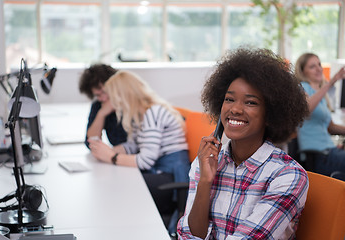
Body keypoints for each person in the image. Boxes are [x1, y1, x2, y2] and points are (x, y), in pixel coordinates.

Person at [177, 47, 309, 239]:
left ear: (270, 114)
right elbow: (188, 235)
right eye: (229, 99)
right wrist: (205, 181)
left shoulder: (287, 176)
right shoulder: (204, 163)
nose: (235, 109)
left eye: (250, 102)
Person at [87, 70, 191, 220]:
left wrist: (111, 157)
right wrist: (108, 151)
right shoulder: (140, 115)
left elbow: (145, 159)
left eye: (112, 99)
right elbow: (133, 146)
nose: (110, 104)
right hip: (159, 170)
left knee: (120, 185)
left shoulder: (152, 113)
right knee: (117, 180)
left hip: (171, 176)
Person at [295, 53, 345, 176]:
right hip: (318, 155)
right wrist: (330, 83)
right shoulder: (301, 88)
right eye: (312, 66)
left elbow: (330, 127)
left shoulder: (320, 95)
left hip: (330, 151)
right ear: (302, 71)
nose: (319, 69)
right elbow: (306, 109)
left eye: (319, 64)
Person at [78, 64, 127, 148]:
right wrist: (101, 114)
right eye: (98, 95)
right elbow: (91, 142)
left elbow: (135, 145)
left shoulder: (130, 102)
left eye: (105, 92)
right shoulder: (98, 105)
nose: (103, 98)